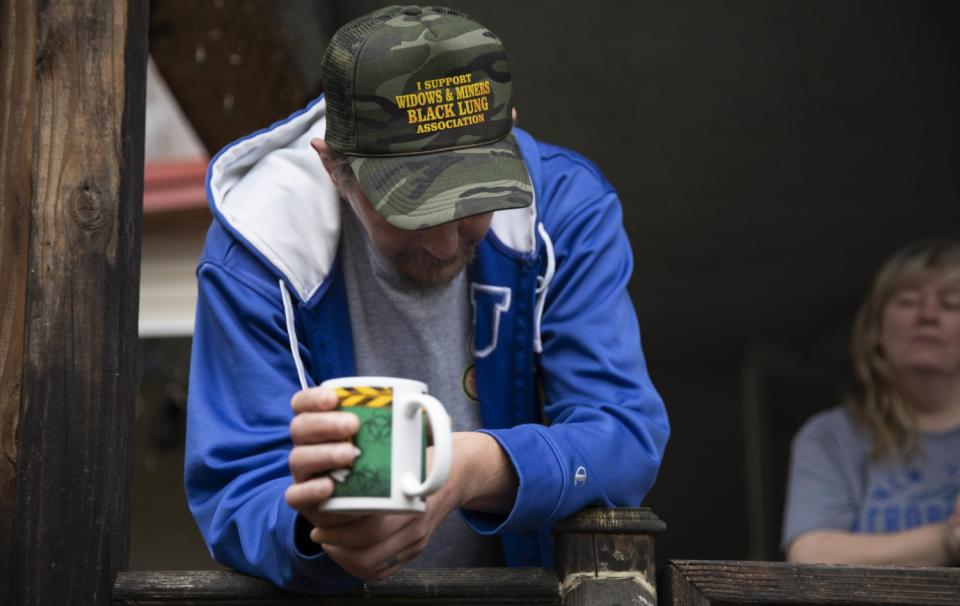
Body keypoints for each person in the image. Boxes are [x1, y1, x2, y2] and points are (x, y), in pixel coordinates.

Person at [184, 5, 669, 594]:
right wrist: (319, 528)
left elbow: (624, 433)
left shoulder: (566, 210)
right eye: (410, 209)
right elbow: (237, 489)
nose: (444, 245)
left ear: (508, 134)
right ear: (335, 166)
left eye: (472, 204)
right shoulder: (258, 247)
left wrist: (464, 467)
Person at [783, 240, 960, 566]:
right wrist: (948, 538)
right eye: (908, 301)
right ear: (876, 328)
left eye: (951, 305)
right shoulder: (830, 436)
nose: (928, 315)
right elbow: (811, 555)